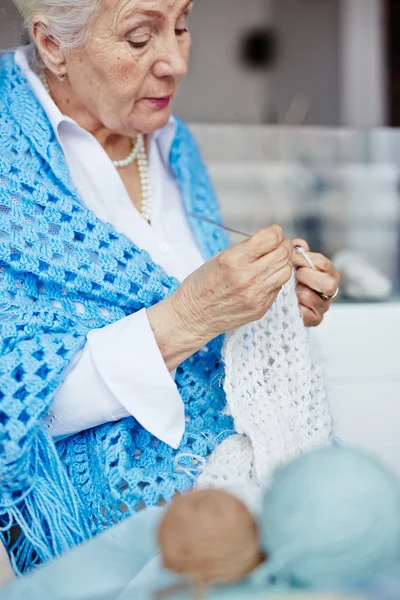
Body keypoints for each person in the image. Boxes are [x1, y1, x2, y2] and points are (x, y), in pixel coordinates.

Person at [0, 0, 340, 577]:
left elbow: (213, 311)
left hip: (235, 469)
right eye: (140, 38)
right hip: (113, 520)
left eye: (182, 26)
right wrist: (190, 317)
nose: (177, 62)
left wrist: (271, 302)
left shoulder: (169, 141)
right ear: (54, 47)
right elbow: (19, 403)